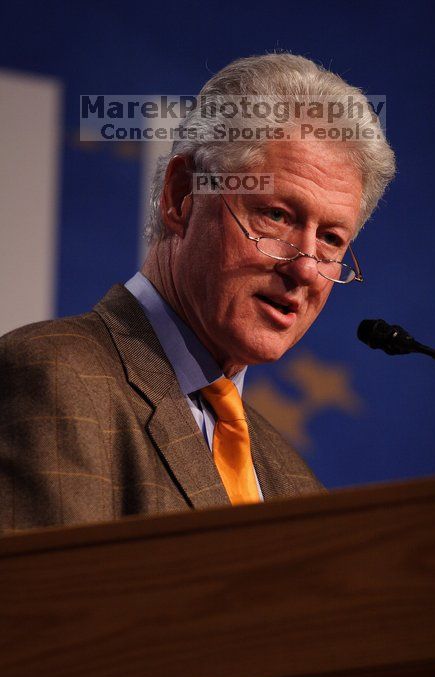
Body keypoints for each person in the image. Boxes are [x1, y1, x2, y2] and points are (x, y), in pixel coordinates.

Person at [0, 53, 395, 532]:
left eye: (332, 239)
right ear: (181, 198)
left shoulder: (294, 481)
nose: (307, 270)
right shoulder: (57, 378)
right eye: (275, 216)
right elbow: (47, 605)